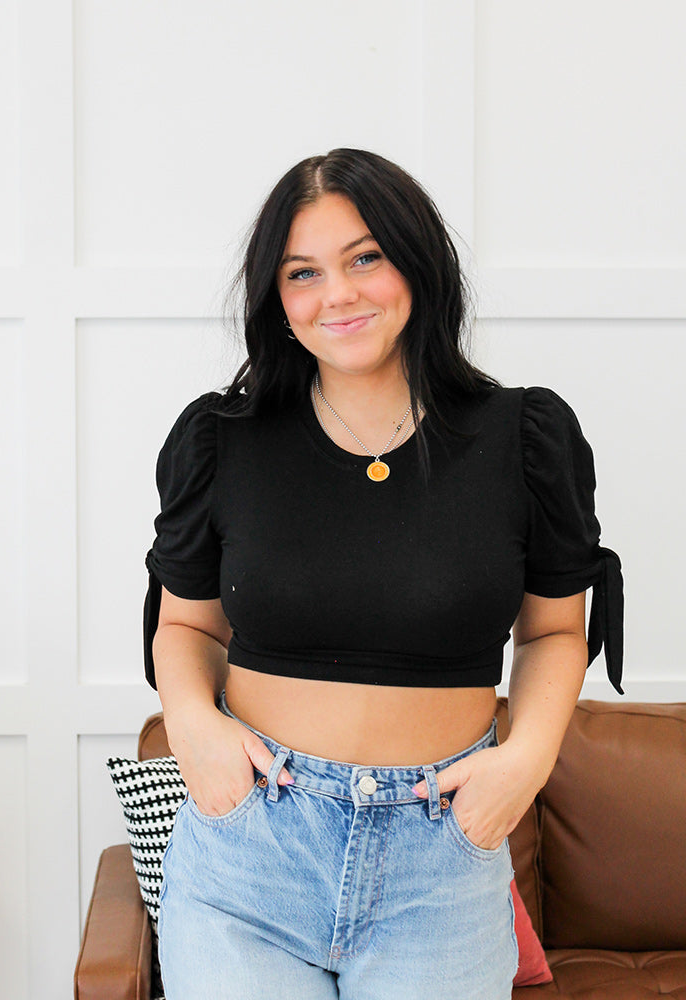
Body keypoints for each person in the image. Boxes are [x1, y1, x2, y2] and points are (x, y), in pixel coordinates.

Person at [142, 148, 624, 1000]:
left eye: (366, 257)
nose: (340, 293)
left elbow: (553, 629)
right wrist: (192, 723)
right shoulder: (224, 440)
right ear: (277, 300)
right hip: (252, 850)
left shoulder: (525, 437)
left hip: (439, 860)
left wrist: (527, 762)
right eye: (303, 272)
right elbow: (186, 625)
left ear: (418, 263)